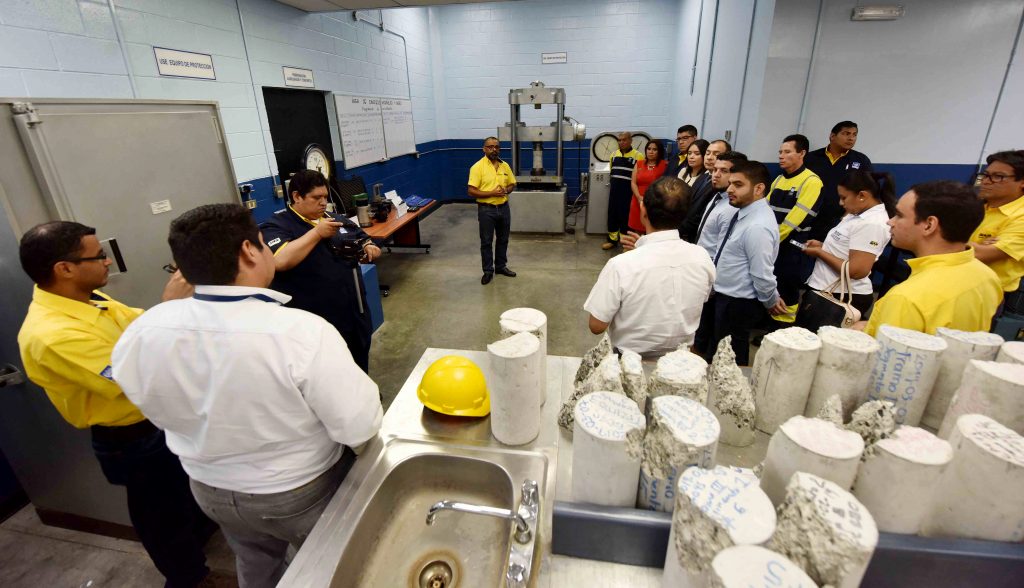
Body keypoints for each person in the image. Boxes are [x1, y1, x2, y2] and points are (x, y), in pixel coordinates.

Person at [112, 203, 383, 588]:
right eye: (264, 243)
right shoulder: (300, 332)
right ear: (248, 251)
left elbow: (144, 399)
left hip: (209, 489)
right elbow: (359, 424)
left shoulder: (144, 330)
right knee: (326, 567)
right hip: (296, 492)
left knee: (255, 560)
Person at [16, 221, 218, 588]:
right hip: (132, 438)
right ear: (65, 269)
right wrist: (169, 308)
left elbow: (136, 326)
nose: (108, 261)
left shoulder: (89, 299)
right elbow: (133, 375)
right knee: (161, 517)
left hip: (159, 420)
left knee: (185, 499)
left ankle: (198, 552)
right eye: (98, 256)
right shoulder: (51, 334)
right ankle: (189, 579)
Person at [261, 169, 381, 373]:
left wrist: (369, 247)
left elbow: (361, 237)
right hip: (317, 318)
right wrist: (317, 233)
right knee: (328, 370)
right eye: (316, 198)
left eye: (325, 197)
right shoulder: (277, 225)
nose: (323, 203)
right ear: (297, 196)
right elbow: (280, 261)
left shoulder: (335, 218)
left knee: (359, 362)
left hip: (354, 310)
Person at [584, 177, 714, 358]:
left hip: (630, 362)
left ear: (643, 210)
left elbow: (597, 325)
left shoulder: (621, 265)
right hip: (681, 360)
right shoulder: (702, 257)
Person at [860, 181, 1002, 336]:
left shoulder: (906, 299)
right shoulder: (988, 277)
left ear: (929, 225)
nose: (890, 221)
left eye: (899, 215)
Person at [694, 161, 787, 365]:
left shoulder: (758, 226)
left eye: (738, 185)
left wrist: (770, 300)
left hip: (737, 302)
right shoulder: (743, 213)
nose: (730, 189)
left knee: (729, 360)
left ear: (759, 189)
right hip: (725, 297)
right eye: (730, 184)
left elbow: (762, 273)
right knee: (717, 352)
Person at [801, 171, 896, 318]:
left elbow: (856, 270)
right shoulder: (857, 214)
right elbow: (848, 247)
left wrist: (820, 253)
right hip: (827, 289)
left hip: (841, 295)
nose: (841, 203)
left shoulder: (871, 223)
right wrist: (823, 246)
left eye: (844, 197)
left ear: (862, 195)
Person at [768, 134, 824, 323]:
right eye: (780, 152)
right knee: (772, 283)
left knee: (787, 286)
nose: (781, 156)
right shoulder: (778, 180)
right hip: (774, 243)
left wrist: (770, 240)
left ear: (802, 153)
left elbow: (794, 220)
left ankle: (782, 326)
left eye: (787, 152)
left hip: (791, 245)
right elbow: (764, 209)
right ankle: (769, 322)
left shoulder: (811, 181)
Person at [969, 150, 1024, 307]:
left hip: (983, 295)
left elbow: (980, 254)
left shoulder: (1020, 216)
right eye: (986, 175)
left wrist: (943, 240)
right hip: (944, 278)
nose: (986, 181)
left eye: (998, 176)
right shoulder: (974, 205)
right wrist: (975, 246)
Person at [806, 121, 873, 241]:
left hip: (841, 220)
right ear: (832, 136)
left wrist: (849, 215)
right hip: (810, 217)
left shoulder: (861, 160)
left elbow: (867, 191)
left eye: (854, 134)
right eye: (846, 133)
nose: (851, 138)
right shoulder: (811, 158)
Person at [467, 136, 517, 282]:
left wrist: (506, 190)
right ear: (484, 149)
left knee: (503, 239)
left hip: (504, 208)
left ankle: (501, 266)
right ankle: (488, 271)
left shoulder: (505, 166)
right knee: (486, 241)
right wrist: (492, 193)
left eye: (496, 147)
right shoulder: (477, 167)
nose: (494, 149)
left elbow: (512, 184)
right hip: (486, 210)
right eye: (490, 147)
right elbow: (471, 191)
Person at [694, 151, 748, 253]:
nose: (716, 175)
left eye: (724, 171)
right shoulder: (717, 195)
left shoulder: (734, 207)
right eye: (715, 170)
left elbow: (724, 250)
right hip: (701, 257)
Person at [678, 139, 731, 242]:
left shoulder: (720, 186)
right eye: (707, 153)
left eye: (716, 154)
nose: (709, 157)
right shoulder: (704, 176)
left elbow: (701, 217)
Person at [603, 131, 645, 250]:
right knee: (612, 215)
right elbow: (612, 172)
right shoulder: (613, 155)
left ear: (630, 140)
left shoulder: (638, 156)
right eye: (619, 140)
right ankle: (612, 240)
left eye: (624, 140)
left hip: (628, 194)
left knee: (625, 218)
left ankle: (626, 244)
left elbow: (639, 177)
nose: (621, 142)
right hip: (614, 192)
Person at [629, 140, 668, 234]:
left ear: (659, 151)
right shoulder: (639, 163)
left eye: (654, 149)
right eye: (649, 149)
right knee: (637, 228)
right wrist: (639, 197)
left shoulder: (665, 165)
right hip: (638, 201)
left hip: (655, 202)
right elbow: (633, 182)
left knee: (652, 229)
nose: (651, 151)